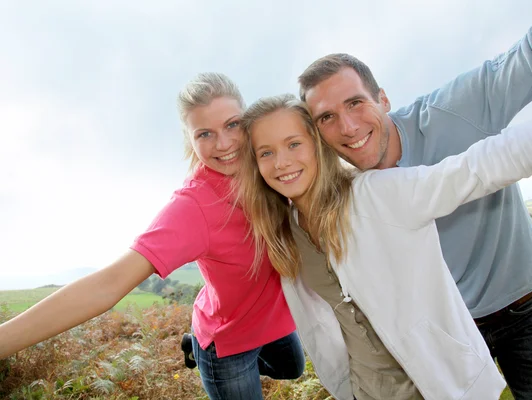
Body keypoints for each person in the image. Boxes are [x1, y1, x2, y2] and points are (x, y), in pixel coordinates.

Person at [295, 1, 532, 398]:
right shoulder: (345, 195)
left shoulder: (452, 112)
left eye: (355, 103)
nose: (348, 126)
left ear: (383, 99)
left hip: (525, 310)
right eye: (327, 117)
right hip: (446, 335)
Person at [235, 82, 532, 400]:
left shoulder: (377, 195)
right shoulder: (285, 232)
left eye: (293, 144)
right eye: (266, 152)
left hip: (445, 389)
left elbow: (479, 167)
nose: (281, 162)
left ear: (316, 145)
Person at [0, 72, 304, 400]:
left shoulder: (269, 163)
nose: (224, 143)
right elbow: (107, 285)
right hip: (228, 342)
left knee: (292, 368)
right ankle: (202, 354)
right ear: (190, 140)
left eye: (232, 125)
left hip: (269, 319)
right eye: (205, 134)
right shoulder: (194, 207)